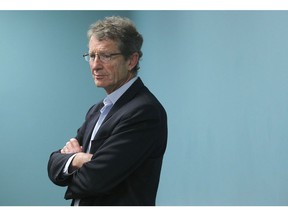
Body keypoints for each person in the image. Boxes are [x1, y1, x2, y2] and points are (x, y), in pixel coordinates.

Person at [47, 16, 168, 206]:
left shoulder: (144, 112)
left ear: (131, 60)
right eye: (92, 55)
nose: (95, 65)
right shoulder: (97, 110)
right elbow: (53, 164)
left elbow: (94, 181)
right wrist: (77, 159)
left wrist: (70, 166)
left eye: (105, 56)